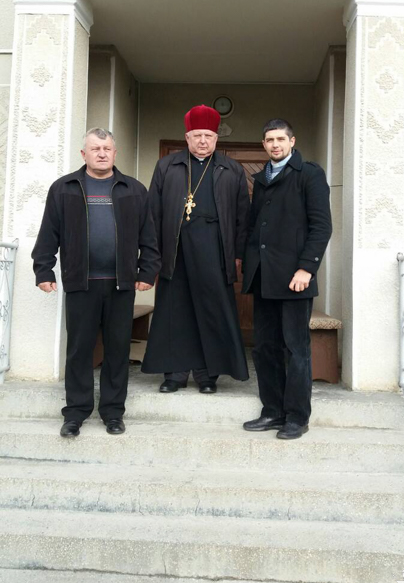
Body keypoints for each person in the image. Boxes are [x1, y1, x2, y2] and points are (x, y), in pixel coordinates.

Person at [32, 128, 160, 438]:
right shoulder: (64, 188)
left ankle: (113, 412)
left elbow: (148, 235)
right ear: (84, 154)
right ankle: (75, 413)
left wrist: (146, 272)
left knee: (117, 350)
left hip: (121, 284)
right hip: (81, 283)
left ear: (115, 153)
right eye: (95, 148)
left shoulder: (133, 190)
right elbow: (49, 232)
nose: (101, 153)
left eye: (106, 148)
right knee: (79, 350)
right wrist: (43, 270)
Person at [141, 104, 250, 393]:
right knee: (175, 311)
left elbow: (243, 217)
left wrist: (238, 255)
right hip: (175, 250)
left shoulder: (232, 169)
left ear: (216, 139)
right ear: (187, 137)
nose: (203, 141)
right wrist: (152, 257)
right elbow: (152, 214)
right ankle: (175, 375)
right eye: (197, 135)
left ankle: (206, 376)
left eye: (208, 136)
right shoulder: (167, 166)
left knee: (210, 312)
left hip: (215, 249)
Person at [242, 119, 332, 440]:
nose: (275, 144)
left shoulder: (309, 174)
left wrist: (306, 268)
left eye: (280, 139)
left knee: (296, 349)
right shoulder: (262, 178)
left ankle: (296, 416)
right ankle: (272, 411)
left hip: (295, 278)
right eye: (269, 140)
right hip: (263, 276)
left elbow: (321, 226)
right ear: (264, 144)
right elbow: (256, 226)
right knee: (265, 348)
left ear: (292, 141)